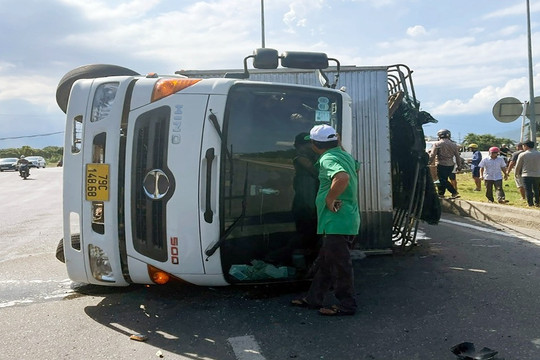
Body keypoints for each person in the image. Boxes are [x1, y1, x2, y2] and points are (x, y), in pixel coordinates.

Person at [291, 124, 360, 316]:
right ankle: (313, 299)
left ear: (314, 145)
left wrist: (329, 198)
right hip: (345, 218)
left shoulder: (327, 158)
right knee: (326, 263)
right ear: (336, 140)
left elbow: (342, 176)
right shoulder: (343, 155)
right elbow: (355, 168)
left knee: (340, 266)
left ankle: (347, 305)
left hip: (336, 221)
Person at [428, 129, 461, 199]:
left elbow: (432, 155)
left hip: (442, 164)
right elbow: (457, 156)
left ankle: (454, 192)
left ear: (439, 135)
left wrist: (428, 163)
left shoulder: (437, 144)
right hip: (451, 165)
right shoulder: (453, 144)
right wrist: (459, 165)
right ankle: (441, 194)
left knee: (442, 180)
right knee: (443, 179)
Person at [515, 141, 540, 207]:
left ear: (526, 146)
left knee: (528, 190)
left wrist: (516, 173)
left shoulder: (523, 154)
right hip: (537, 174)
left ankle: (530, 203)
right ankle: (537, 202)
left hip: (526, 175)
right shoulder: (539, 153)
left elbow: (518, 165)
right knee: (536, 189)